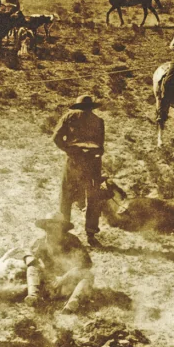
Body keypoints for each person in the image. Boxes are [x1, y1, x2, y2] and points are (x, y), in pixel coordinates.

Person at [52, 94, 105, 246]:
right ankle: (91, 235)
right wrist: (93, 154)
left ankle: (62, 233)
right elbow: (101, 147)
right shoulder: (98, 121)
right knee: (92, 197)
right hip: (92, 163)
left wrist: (69, 150)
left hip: (75, 161)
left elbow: (56, 138)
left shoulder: (69, 117)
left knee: (66, 196)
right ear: (91, 107)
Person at [22, 212, 94, 313]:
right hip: (48, 284)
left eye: (56, 224)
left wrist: (64, 278)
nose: (52, 227)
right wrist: (47, 275)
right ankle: (33, 296)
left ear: (62, 226)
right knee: (32, 268)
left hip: (69, 283)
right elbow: (28, 256)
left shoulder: (73, 240)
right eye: (50, 224)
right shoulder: (40, 241)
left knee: (88, 275)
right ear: (45, 226)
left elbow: (86, 263)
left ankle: (73, 302)